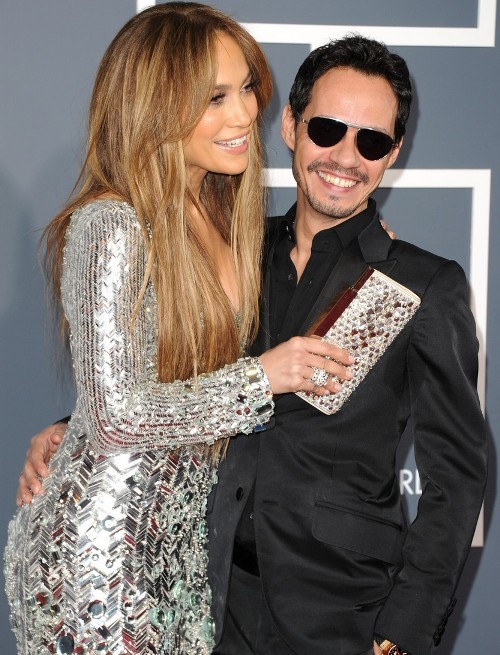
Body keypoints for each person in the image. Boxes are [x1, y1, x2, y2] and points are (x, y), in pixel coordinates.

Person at [17, 33, 487, 655]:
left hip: (340, 610)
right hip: (205, 600)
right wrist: (72, 427)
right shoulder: (232, 251)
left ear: (393, 153)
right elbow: (163, 372)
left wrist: (405, 631)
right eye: (327, 130)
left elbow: (457, 473)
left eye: (371, 142)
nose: (345, 157)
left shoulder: (422, 284)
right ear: (291, 126)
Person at [4, 5, 354, 655]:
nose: (244, 114)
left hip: (179, 552)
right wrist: (262, 378)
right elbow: (116, 414)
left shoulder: (219, 211)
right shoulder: (111, 223)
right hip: (99, 555)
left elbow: (163, 375)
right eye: (215, 98)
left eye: (246, 88)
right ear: (154, 107)